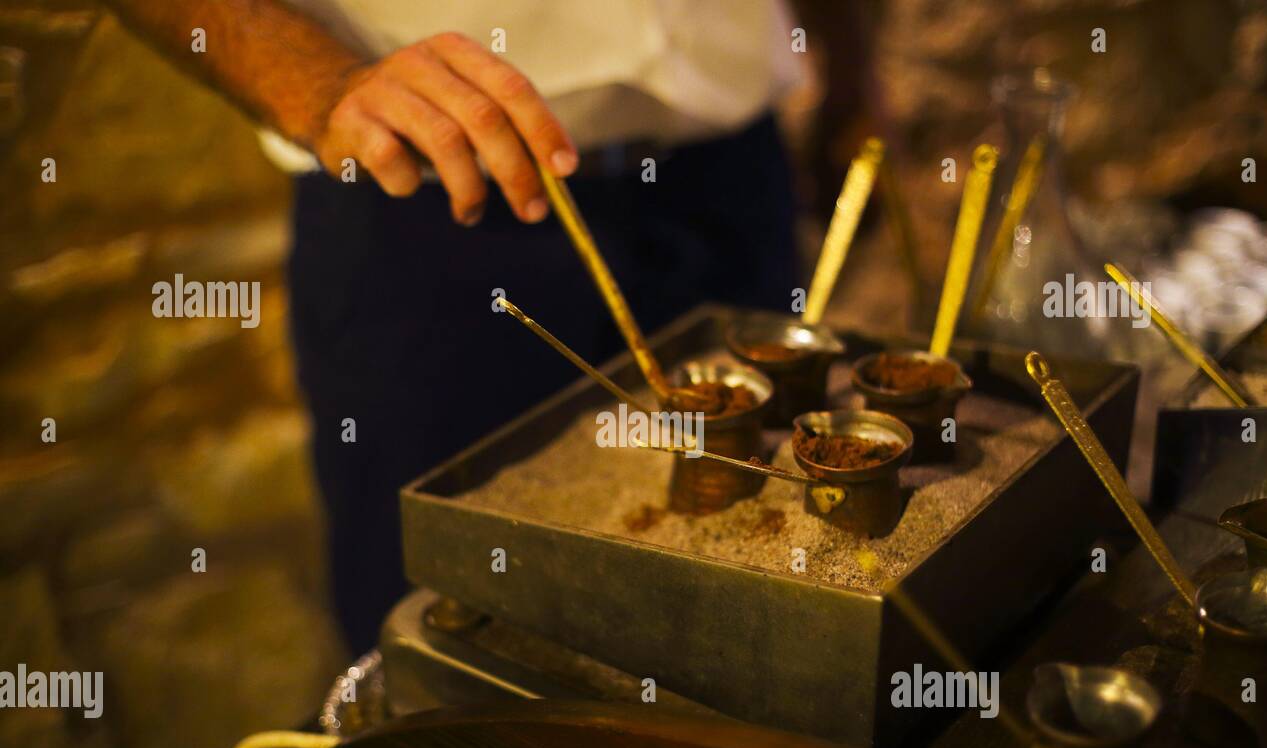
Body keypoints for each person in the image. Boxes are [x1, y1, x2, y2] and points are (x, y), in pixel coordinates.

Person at [106, 0, 814, 655]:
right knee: (447, 647)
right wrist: (315, 82)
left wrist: (846, 59)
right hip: (430, 201)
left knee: (748, 610)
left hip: (731, 178)